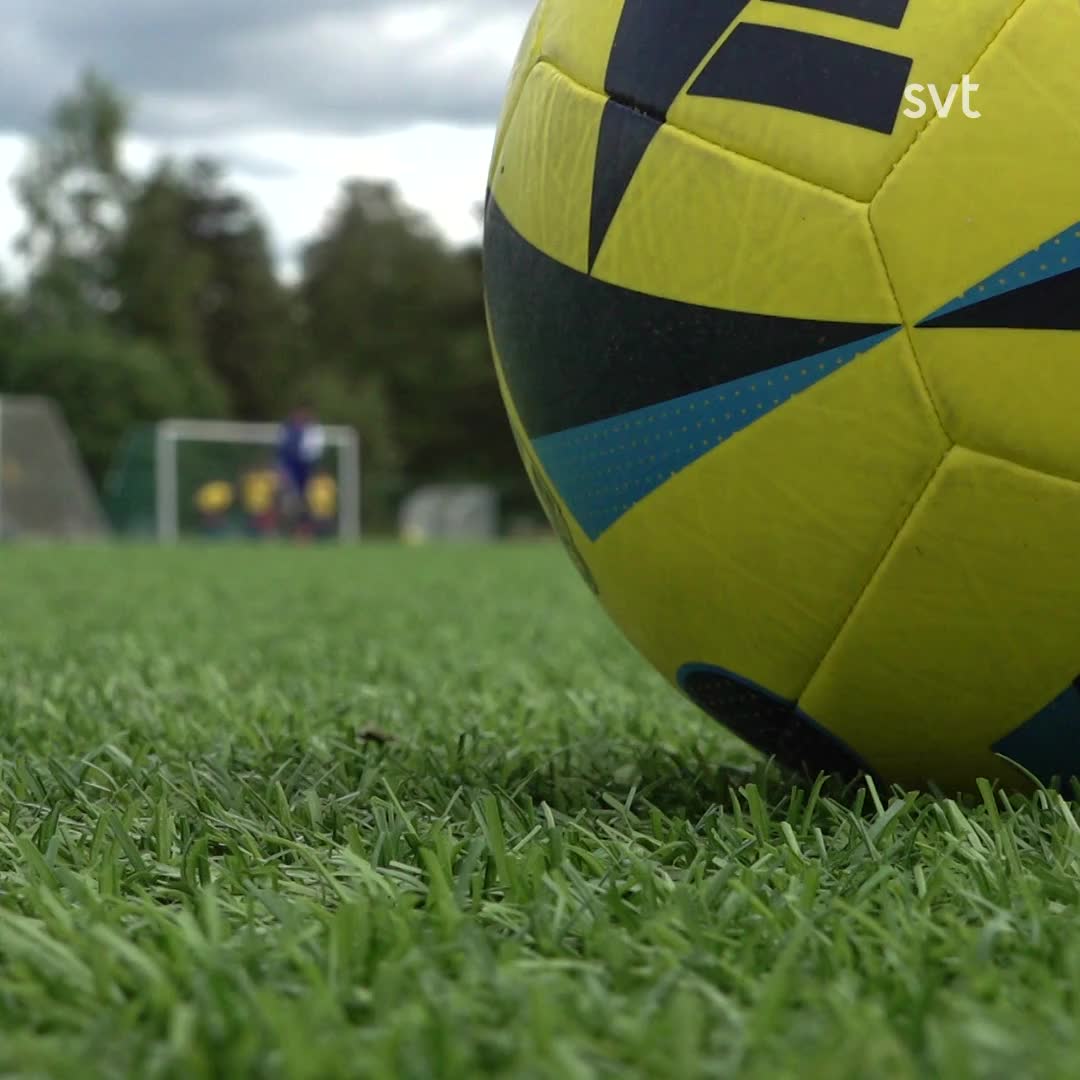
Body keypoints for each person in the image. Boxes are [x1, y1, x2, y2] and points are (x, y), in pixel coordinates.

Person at [276, 407, 326, 538]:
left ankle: (304, 531)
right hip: (290, 473)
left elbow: (313, 454)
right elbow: (281, 453)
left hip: (303, 473)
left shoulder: (312, 432)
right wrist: (283, 471)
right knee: (288, 503)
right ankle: (285, 531)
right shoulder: (286, 431)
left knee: (305, 502)